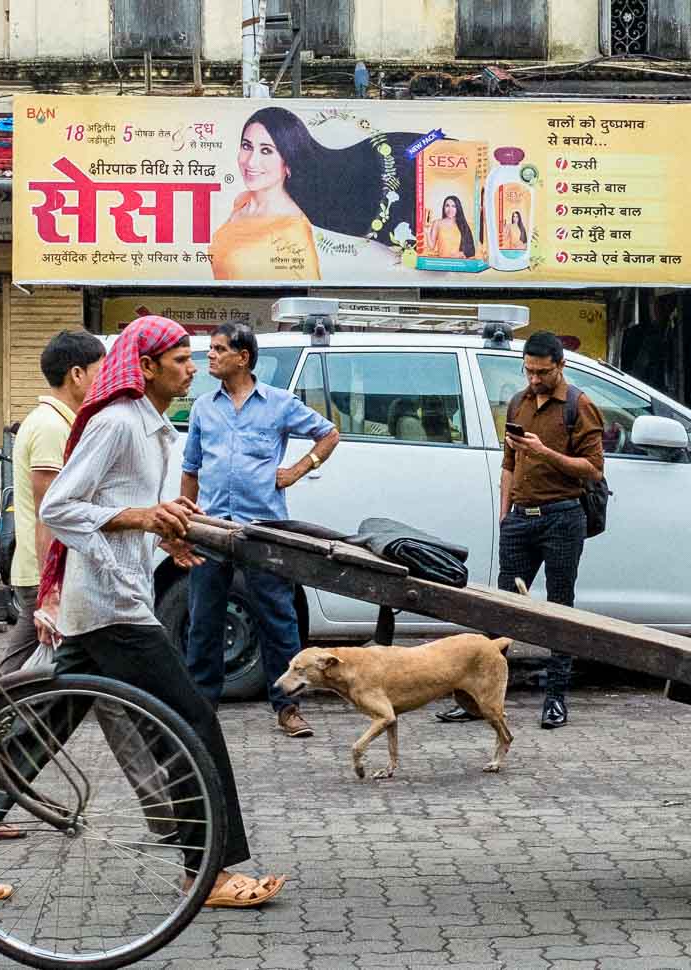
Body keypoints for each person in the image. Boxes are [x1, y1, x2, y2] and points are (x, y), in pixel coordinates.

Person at [29, 315, 286, 909]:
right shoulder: (119, 423)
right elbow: (63, 506)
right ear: (144, 368)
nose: (194, 368)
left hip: (108, 599)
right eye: (181, 360)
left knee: (39, 728)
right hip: (111, 605)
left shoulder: (152, 427)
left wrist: (158, 531)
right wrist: (143, 519)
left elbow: (119, 509)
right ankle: (212, 870)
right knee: (191, 718)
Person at [180, 321, 340, 737]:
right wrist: (185, 520)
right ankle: (201, 710)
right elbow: (191, 468)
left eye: (218, 349)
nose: (210, 355)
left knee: (278, 617)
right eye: (210, 349)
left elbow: (328, 434)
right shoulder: (203, 407)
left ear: (243, 357)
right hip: (210, 527)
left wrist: (297, 470)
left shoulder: (279, 404)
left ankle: (288, 708)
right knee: (203, 620)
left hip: (264, 529)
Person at [439, 330, 604, 730]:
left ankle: (556, 698)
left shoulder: (579, 406)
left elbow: (594, 469)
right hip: (519, 518)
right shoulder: (518, 401)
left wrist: (545, 453)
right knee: (502, 609)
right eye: (528, 370)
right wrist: (504, 513)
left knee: (559, 607)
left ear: (559, 366)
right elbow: (508, 463)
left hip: (563, 516)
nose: (533, 379)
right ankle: (479, 698)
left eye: (542, 372)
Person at [210, 106, 419, 281]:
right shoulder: (242, 201)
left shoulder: (292, 230)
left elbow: (303, 299)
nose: (250, 161)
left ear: (288, 164)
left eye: (266, 150)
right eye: (247, 146)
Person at [1, 330, 105, 673]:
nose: (104, 379)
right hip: (44, 570)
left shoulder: (62, 422)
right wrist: (52, 585)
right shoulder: (50, 426)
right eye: (99, 370)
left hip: (46, 570)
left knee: (26, 665)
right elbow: (50, 512)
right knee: (55, 665)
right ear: (77, 374)